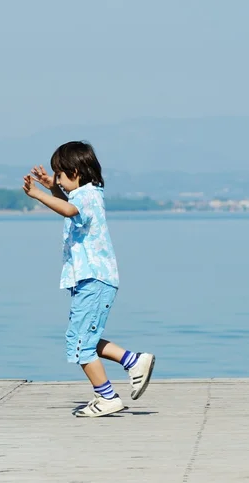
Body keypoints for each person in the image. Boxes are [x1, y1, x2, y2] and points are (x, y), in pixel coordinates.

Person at [22, 141, 155, 417]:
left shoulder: (86, 197)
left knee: (80, 344)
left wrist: (38, 194)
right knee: (84, 339)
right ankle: (133, 361)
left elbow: (69, 209)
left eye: (59, 174)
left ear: (76, 172)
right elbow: (70, 202)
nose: (56, 178)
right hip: (91, 281)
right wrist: (52, 187)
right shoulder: (89, 193)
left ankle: (106, 397)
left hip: (94, 280)